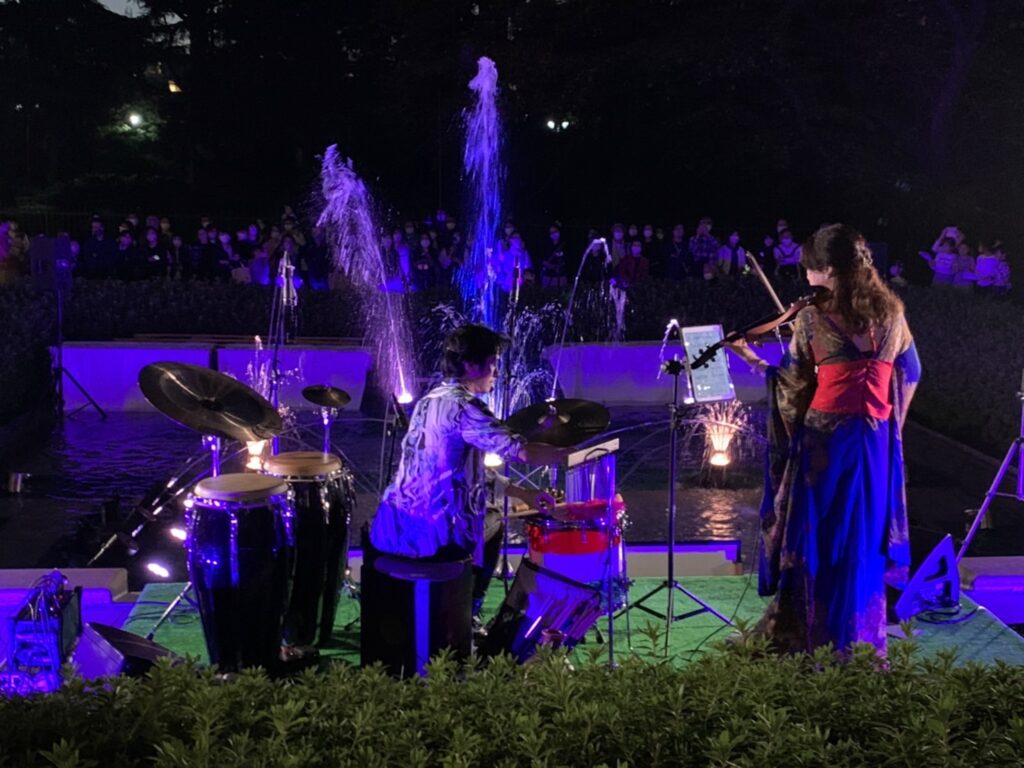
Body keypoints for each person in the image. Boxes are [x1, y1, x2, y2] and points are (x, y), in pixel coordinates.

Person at [729, 223, 920, 656]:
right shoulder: (893, 313)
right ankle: (860, 641)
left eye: (811, 269)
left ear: (829, 270)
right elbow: (912, 370)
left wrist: (752, 360)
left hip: (825, 443)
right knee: (862, 540)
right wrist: (891, 426)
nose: (808, 278)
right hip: (874, 444)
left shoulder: (813, 318)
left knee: (816, 539)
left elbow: (792, 384)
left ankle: (808, 639)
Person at [370, 324, 559, 620]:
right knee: (493, 519)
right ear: (471, 365)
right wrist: (571, 455)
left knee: (487, 511)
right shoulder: (466, 407)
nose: (496, 372)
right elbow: (521, 451)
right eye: (492, 363)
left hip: (394, 526)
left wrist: (523, 493)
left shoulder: (429, 400)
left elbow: (463, 471)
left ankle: (458, 610)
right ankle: (468, 611)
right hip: (433, 537)